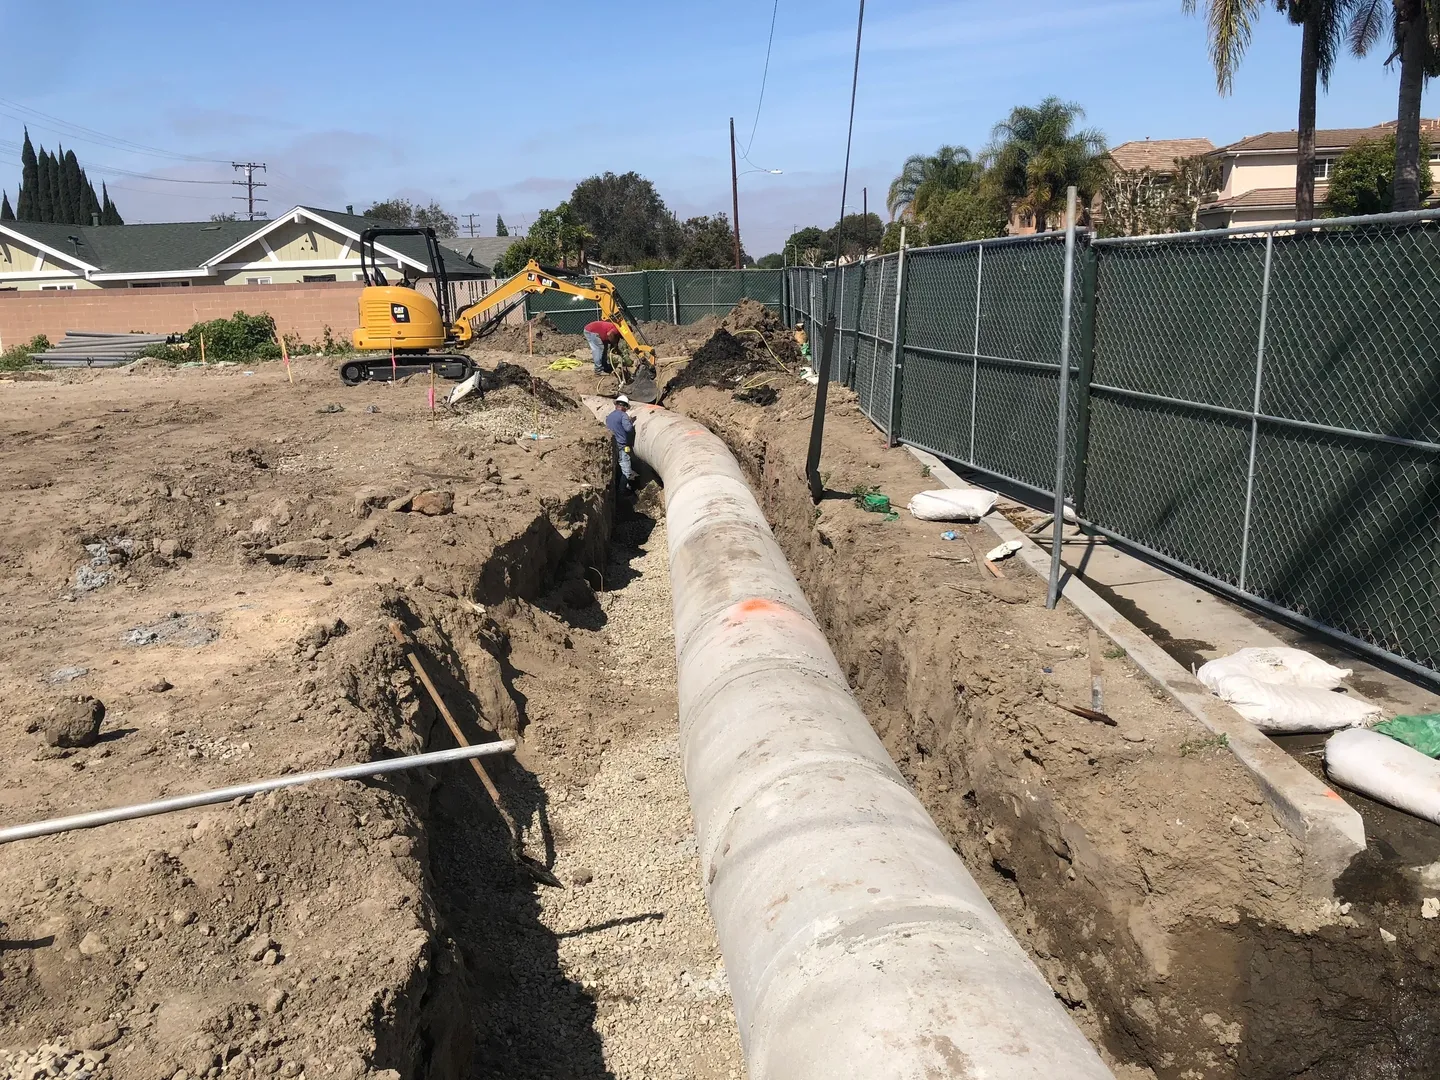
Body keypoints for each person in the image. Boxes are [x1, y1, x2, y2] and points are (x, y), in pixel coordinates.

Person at [605, 394, 636, 493]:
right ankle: (622, 492)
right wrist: (630, 423)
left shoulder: (610, 416)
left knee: (616, 468)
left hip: (612, 445)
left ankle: (621, 487)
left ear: (616, 405)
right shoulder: (623, 415)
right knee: (626, 469)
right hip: (622, 446)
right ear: (625, 406)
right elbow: (628, 428)